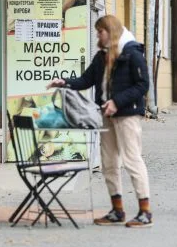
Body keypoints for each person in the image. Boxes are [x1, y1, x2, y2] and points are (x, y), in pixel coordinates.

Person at [47, 15, 153, 228]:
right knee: (109, 162)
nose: (98, 35)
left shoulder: (132, 53)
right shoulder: (101, 56)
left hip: (127, 115)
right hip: (106, 114)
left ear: (110, 31)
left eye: (100, 31)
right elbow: (86, 80)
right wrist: (65, 82)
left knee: (132, 160)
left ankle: (145, 212)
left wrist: (117, 101)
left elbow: (142, 85)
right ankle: (117, 210)